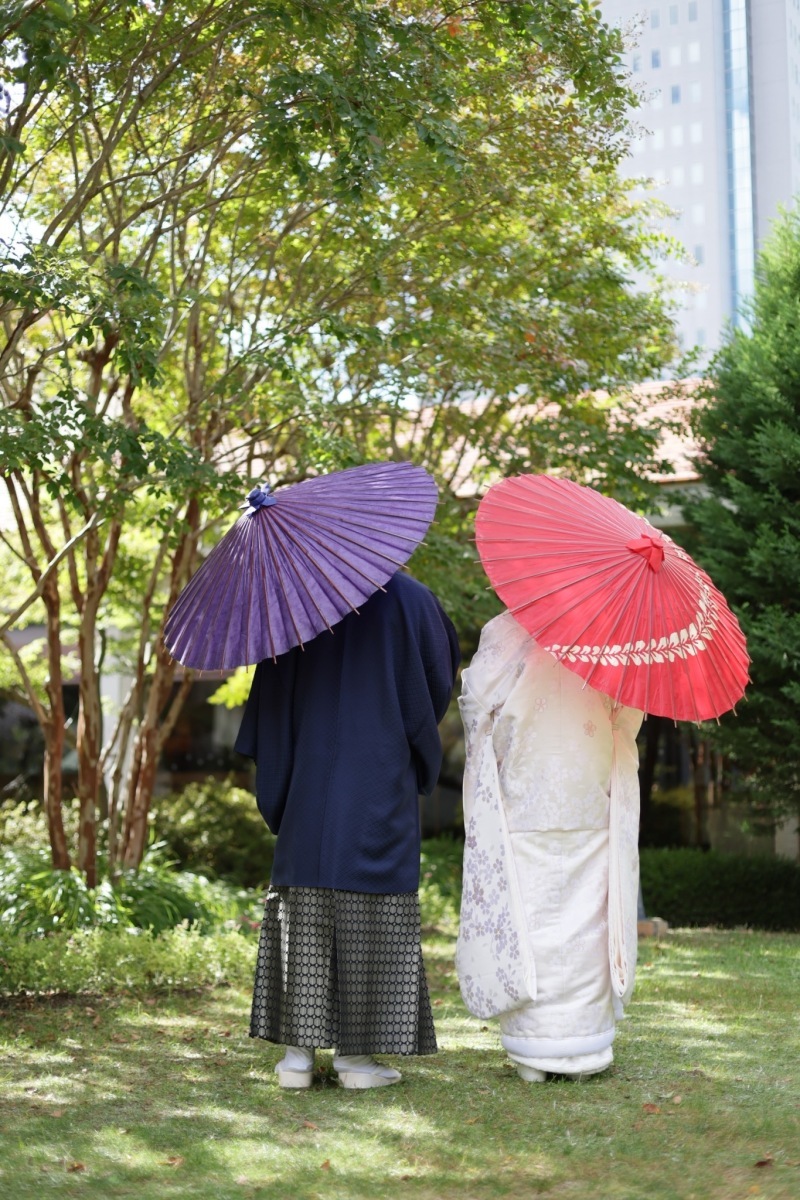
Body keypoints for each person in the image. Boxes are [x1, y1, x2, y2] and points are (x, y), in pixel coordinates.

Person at [235, 570, 460, 1089]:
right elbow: (432, 684)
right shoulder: (412, 600)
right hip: (377, 778)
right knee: (372, 910)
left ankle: (296, 1060)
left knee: (305, 906)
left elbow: (269, 707)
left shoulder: (295, 600)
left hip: (307, 784)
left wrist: (280, 786)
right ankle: (357, 1061)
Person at [456, 611, 643, 1081]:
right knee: (587, 923)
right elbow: (631, 710)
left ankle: (532, 1053)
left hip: (525, 791)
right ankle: (586, 1048)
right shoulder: (612, 628)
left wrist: (497, 739)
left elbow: (475, 700)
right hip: (587, 791)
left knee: (528, 918)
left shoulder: (507, 628)